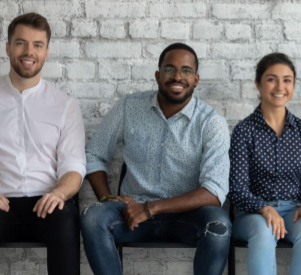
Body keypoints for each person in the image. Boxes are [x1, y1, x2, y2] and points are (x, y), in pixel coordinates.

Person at [81, 43, 231, 275]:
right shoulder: (129, 107)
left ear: (196, 79)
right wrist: (107, 198)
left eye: (186, 71)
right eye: (170, 69)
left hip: (187, 216)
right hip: (131, 211)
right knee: (92, 217)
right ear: (158, 75)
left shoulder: (211, 122)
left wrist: (150, 208)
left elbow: (214, 191)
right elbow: (94, 154)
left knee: (218, 225)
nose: (177, 76)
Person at [0, 13, 85, 275]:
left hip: (46, 203)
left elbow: (74, 168)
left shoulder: (65, 105)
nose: (28, 51)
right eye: (20, 43)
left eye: (37, 44)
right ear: (8, 47)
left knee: (66, 217)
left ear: (46, 51)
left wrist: (59, 194)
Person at [229, 52, 301, 275]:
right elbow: (236, 189)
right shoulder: (244, 131)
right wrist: (264, 208)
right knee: (264, 231)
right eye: (272, 79)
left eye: (287, 80)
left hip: (294, 210)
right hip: (252, 215)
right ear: (258, 84)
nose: (280, 86)